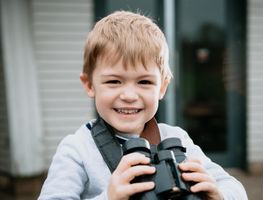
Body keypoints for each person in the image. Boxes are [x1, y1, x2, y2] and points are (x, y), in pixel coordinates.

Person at [38, 10, 247, 200]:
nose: (129, 95)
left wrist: (218, 195)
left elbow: (235, 188)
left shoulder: (176, 140)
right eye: (114, 81)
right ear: (89, 85)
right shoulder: (77, 149)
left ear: (162, 87)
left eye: (144, 82)